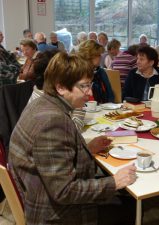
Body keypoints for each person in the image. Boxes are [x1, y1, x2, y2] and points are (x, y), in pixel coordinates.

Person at [9, 52, 137, 225]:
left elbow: (50, 159)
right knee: (130, 205)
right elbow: (63, 191)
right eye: (84, 86)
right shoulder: (52, 122)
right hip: (54, 214)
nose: (90, 92)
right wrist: (114, 182)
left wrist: (88, 149)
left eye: (89, 84)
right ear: (61, 87)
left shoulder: (41, 103)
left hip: (41, 195)